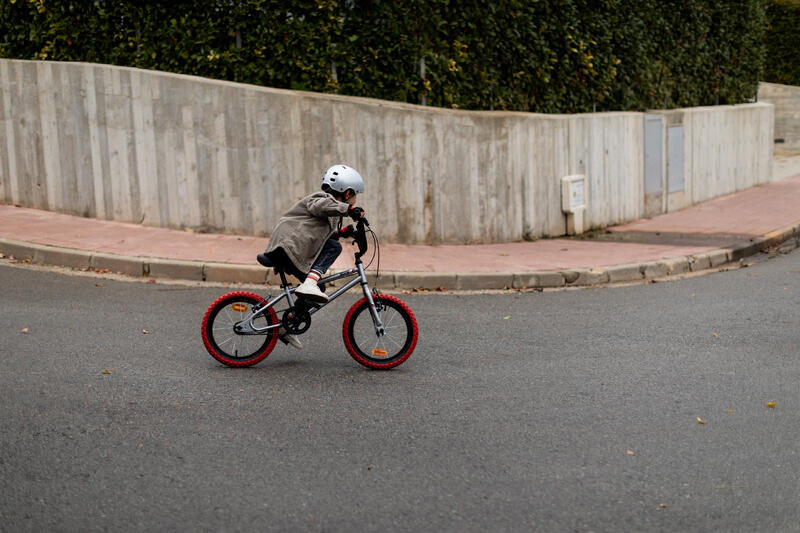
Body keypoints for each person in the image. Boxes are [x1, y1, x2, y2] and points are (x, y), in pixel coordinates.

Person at [264, 164, 366, 350]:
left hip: (293, 247)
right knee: (333, 249)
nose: (355, 200)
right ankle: (309, 283)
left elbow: (323, 232)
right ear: (346, 192)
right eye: (355, 195)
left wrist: (343, 232)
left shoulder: (332, 212)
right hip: (288, 245)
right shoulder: (322, 198)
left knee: (319, 286)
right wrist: (349, 210)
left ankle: (287, 326)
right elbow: (320, 207)